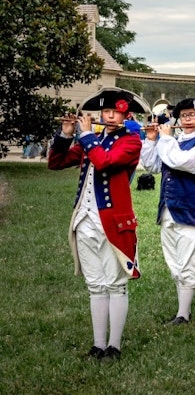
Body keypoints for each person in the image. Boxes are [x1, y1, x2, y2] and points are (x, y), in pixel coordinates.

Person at [48, 87, 149, 361]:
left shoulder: (131, 141)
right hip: (85, 221)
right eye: (105, 111)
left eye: (114, 112)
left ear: (125, 114)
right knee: (95, 285)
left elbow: (105, 162)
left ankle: (114, 345)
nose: (109, 116)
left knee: (116, 284)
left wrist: (88, 136)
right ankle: (97, 343)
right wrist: (67, 134)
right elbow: (55, 163)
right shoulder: (87, 140)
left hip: (113, 224)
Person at [140, 98, 195, 326]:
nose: (188, 120)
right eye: (184, 116)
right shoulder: (172, 142)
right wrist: (152, 140)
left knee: (187, 264)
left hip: (192, 212)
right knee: (174, 264)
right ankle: (181, 310)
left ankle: (183, 314)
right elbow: (153, 166)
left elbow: (178, 161)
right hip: (168, 210)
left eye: (192, 115)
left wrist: (165, 139)